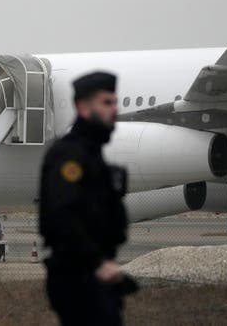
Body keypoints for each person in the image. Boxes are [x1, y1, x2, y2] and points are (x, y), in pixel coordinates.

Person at [39, 71, 137, 326]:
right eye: (106, 103)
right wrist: (97, 264)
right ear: (83, 107)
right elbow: (62, 217)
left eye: (115, 102)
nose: (115, 110)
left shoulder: (93, 155)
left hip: (95, 274)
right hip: (77, 276)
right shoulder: (70, 156)